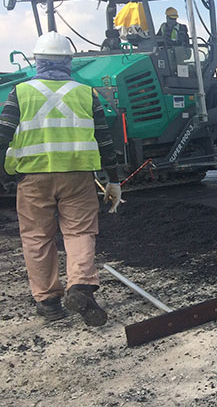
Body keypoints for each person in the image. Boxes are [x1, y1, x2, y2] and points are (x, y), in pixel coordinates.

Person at [0, 32, 123, 326]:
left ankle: (49, 303)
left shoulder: (20, 92)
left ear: (37, 61)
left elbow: (3, 135)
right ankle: (80, 286)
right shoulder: (85, 93)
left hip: (33, 178)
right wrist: (113, 180)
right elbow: (104, 140)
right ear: (69, 62)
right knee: (80, 233)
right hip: (78, 177)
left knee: (37, 239)